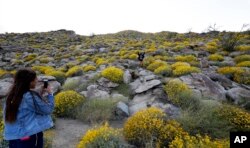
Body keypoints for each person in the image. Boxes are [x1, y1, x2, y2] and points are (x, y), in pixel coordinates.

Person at [3, 68, 54, 148]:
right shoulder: (29, 96)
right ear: (29, 82)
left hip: (14, 137)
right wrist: (50, 94)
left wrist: (39, 94)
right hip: (29, 136)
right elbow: (48, 110)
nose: (37, 81)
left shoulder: (11, 95)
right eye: (35, 79)